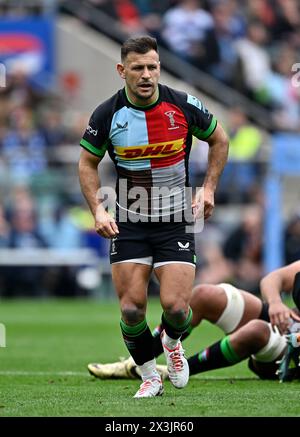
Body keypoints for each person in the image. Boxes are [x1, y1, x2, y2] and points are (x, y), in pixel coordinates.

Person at [78, 35, 229, 398]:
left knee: (176, 308)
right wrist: (98, 209)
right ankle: (149, 377)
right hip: (129, 219)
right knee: (131, 310)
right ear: (122, 71)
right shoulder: (106, 114)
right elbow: (87, 162)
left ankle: (173, 344)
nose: (146, 75)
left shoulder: (182, 105)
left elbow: (220, 139)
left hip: (175, 218)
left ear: (159, 67)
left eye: (152, 67)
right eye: (138, 68)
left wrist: (208, 189)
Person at [87, 261, 300, 383]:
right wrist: (275, 303)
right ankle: (141, 360)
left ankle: (175, 371)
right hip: (289, 323)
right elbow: (273, 279)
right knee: (204, 295)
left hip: (294, 350)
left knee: (256, 330)